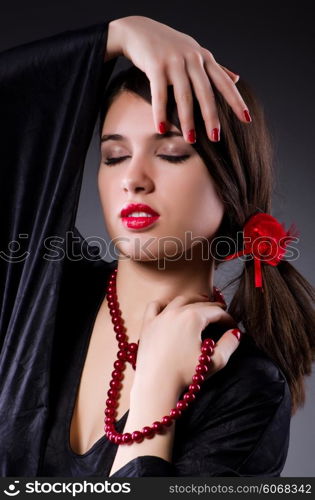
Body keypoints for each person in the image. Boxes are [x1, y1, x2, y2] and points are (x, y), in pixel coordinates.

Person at [0, 15, 314, 477]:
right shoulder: (38, 282)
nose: (133, 179)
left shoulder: (249, 391)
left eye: (169, 154)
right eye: (115, 156)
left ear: (230, 184)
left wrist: (154, 400)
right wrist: (114, 37)